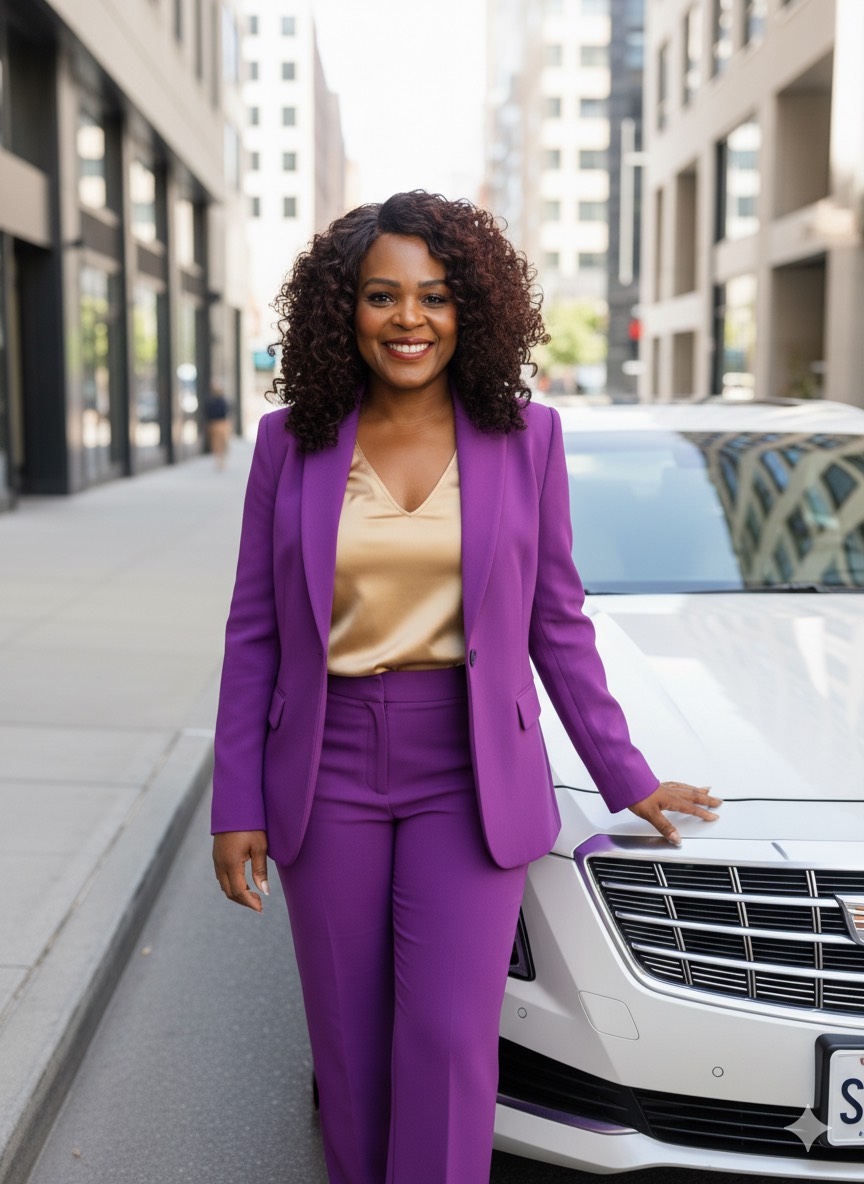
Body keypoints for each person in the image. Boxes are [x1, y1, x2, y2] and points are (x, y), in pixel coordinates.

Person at [211, 191, 721, 1184]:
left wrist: (628, 772)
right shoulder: (290, 444)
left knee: (447, 1037)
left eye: (435, 296)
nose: (410, 318)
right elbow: (254, 633)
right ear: (341, 310)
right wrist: (237, 801)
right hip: (329, 765)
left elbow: (556, 621)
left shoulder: (526, 438)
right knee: (351, 1050)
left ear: (471, 310)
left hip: (468, 766)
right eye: (382, 296)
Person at [205, 384, 231, 468]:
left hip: (220, 423)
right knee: (217, 443)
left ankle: (220, 460)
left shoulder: (221, 401)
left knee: (221, 443)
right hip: (216, 423)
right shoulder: (213, 401)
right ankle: (219, 460)